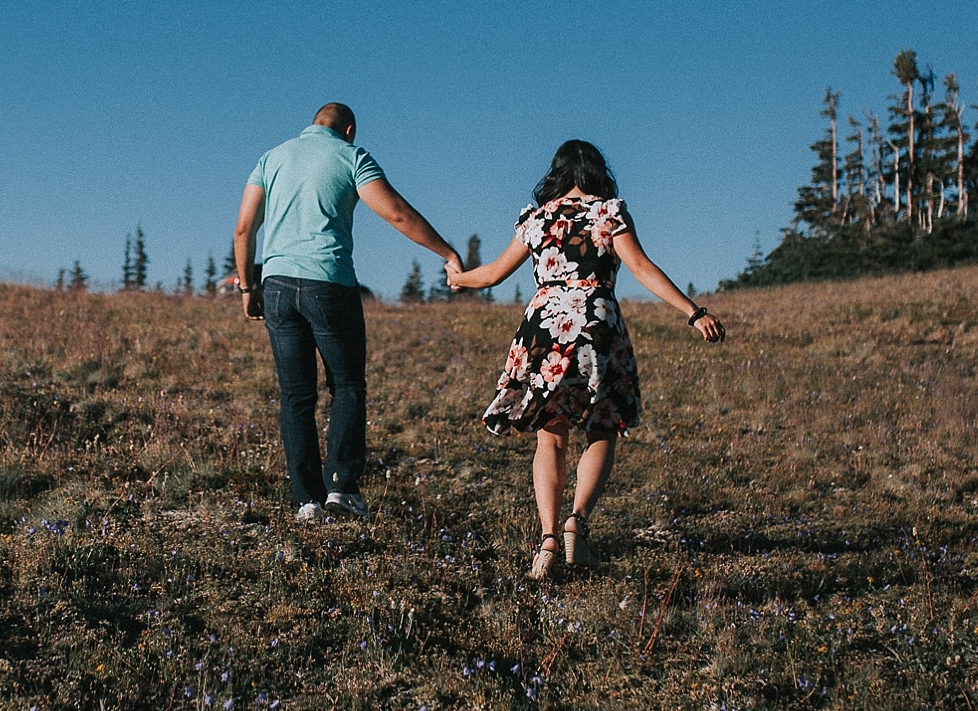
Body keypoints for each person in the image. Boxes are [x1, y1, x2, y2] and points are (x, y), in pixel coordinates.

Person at [447, 139, 725, 579]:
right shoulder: (608, 213)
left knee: (549, 435)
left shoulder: (536, 219)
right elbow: (643, 268)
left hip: (545, 328)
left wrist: (460, 278)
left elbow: (495, 273)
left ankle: (548, 542)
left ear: (555, 175)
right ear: (597, 173)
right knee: (603, 427)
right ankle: (577, 523)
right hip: (597, 326)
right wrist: (694, 312)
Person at [235, 103, 461, 524]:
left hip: (278, 285)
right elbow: (395, 212)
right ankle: (341, 488)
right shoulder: (351, 156)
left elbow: (245, 228)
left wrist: (249, 287)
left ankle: (306, 501)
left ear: (312, 124)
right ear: (349, 129)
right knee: (347, 385)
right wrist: (446, 251)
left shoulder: (272, 158)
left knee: (296, 396)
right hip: (329, 285)